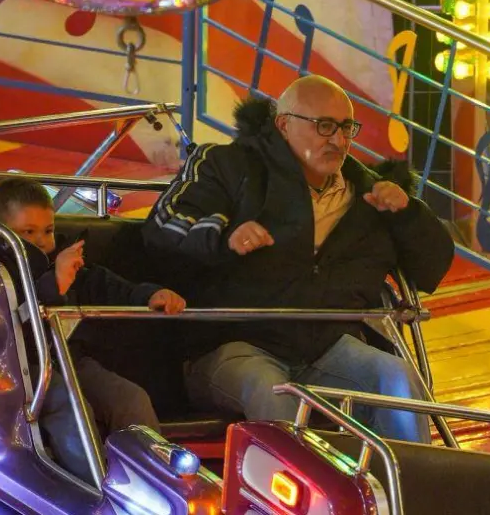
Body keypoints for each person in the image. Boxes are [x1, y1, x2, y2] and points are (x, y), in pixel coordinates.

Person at [143, 75, 455, 443]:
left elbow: (432, 268)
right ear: (283, 124)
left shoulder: (370, 196)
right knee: (273, 391)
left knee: (397, 377)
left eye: (346, 128)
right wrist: (223, 236)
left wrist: (408, 214)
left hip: (326, 345)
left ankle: (408, 490)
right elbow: (161, 226)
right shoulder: (226, 164)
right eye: (324, 127)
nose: (338, 140)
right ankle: (295, 498)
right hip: (230, 343)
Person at [0, 177, 187, 483]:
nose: (41, 241)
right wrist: (54, 286)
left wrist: (150, 295)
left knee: (131, 399)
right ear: (1, 233)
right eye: (28, 232)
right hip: (22, 368)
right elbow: (11, 323)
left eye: (48, 231)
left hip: (73, 362)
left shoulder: (65, 262)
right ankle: (96, 487)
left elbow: (109, 285)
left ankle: (155, 484)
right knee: (72, 406)